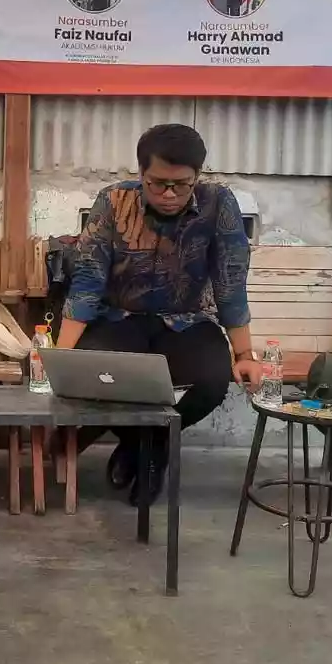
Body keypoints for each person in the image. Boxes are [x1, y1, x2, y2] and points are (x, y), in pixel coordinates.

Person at [58, 124, 265, 506]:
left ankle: (148, 446)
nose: (169, 194)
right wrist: (60, 357)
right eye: (158, 184)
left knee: (212, 381)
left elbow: (230, 281)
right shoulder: (113, 201)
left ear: (197, 176)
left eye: (181, 185)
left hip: (188, 321)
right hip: (120, 318)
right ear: (141, 173)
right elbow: (87, 281)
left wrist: (244, 354)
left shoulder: (218, 204)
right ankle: (147, 448)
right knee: (93, 375)